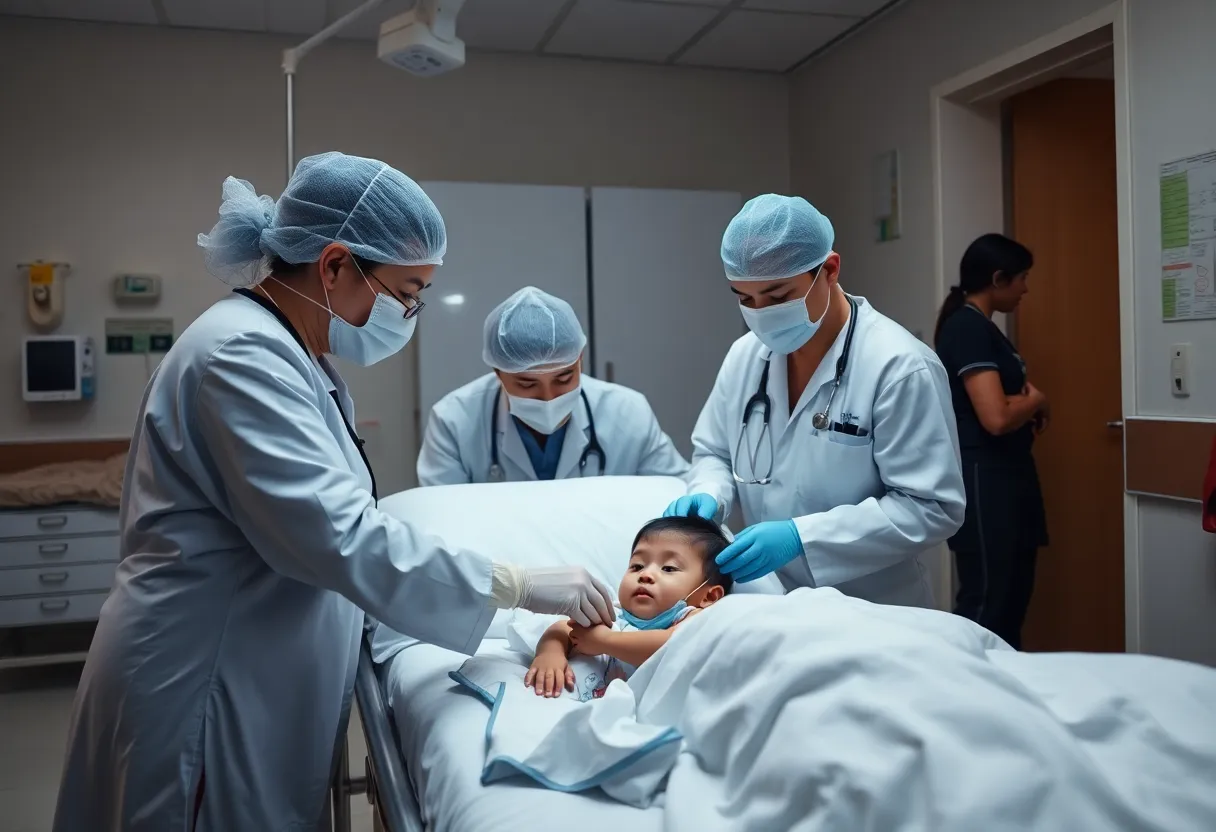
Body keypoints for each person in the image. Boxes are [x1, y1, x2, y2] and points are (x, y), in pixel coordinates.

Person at [52, 153, 616, 832]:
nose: (411, 313)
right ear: (334, 266)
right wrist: (515, 584)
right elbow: (338, 535)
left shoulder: (292, 357)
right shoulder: (241, 358)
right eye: (407, 292)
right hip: (205, 680)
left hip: (253, 673)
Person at [664, 194, 965, 607]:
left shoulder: (899, 366)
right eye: (745, 299)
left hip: (874, 610)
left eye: (777, 296)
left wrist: (801, 538)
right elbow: (714, 451)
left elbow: (932, 507)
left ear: (830, 270)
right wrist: (711, 492)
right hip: (771, 602)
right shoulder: (745, 356)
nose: (761, 314)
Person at [416, 286, 689, 485]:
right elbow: (445, 521)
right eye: (526, 384)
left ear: (580, 359)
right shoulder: (453, 421)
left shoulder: (628, 412)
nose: (548, 398)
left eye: (564, 378)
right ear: (497, 373)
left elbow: (675, 495)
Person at [934, 233, 1047, 649]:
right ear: (998, 278)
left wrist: (1027, 404)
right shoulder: (967, 329)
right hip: (985, 481)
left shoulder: (983, 329)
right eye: (1022, 278)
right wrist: (1035, 401)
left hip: (1007, 477)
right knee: (987, 607)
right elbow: (996, 417)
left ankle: (1004, 701)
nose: (1026, 289)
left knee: (1012, 599)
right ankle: (964, 700)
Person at [522, 515, 732, 699]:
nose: (646, 575)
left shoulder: (693, 619)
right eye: (637, 566)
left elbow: (672, 646)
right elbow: (563, 628)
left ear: (709, 596)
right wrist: (550, 654)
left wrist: (606, 641)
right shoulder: (611, 612)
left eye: (668, 568)